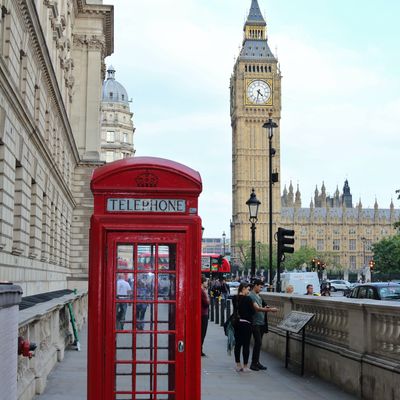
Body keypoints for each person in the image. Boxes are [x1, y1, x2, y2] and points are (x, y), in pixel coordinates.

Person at [249, 279, 278, 371]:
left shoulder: (258, 295)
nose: (261, 289)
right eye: (260, 287)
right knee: (258, 342)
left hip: (260, 322)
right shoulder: (251, 296)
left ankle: (257, 362)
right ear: (255, 286)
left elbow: (261, 306)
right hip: (255, 322)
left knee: (259, 343)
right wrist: (270, 310)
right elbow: (257, 309)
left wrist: (266, 308)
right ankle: (253, 363)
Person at [233, 282, 255, 372]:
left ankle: (238, 365)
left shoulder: (235, 298)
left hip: (237, 323)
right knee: (246, 345)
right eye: (248, 289)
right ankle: (245, 366)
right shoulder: (248, 299)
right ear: (243, 289)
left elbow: (235, 310)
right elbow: (253, 312)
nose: (248, 291)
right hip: (246, 324)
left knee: (238, 344)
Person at [201, 275, 210, 357]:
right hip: (203, 314)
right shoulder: (203, 292)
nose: (207, 283)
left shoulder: (200, 290)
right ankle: (199, 349)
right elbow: (207, 303)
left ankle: (199, 349)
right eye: (206, 281)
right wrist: (207, 295)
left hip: (201, 314)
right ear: (202, 282)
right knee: (202, 333)